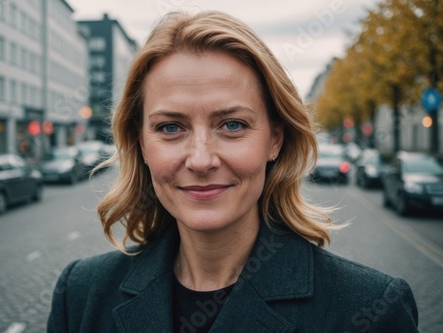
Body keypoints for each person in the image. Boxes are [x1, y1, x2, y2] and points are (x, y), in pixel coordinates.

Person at [47, 10, 418, 333]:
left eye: (233, 125)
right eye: (170, 128)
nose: (201, 160)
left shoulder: (369, 310)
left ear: (275, 139)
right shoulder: (80, 294)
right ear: (141, 144)